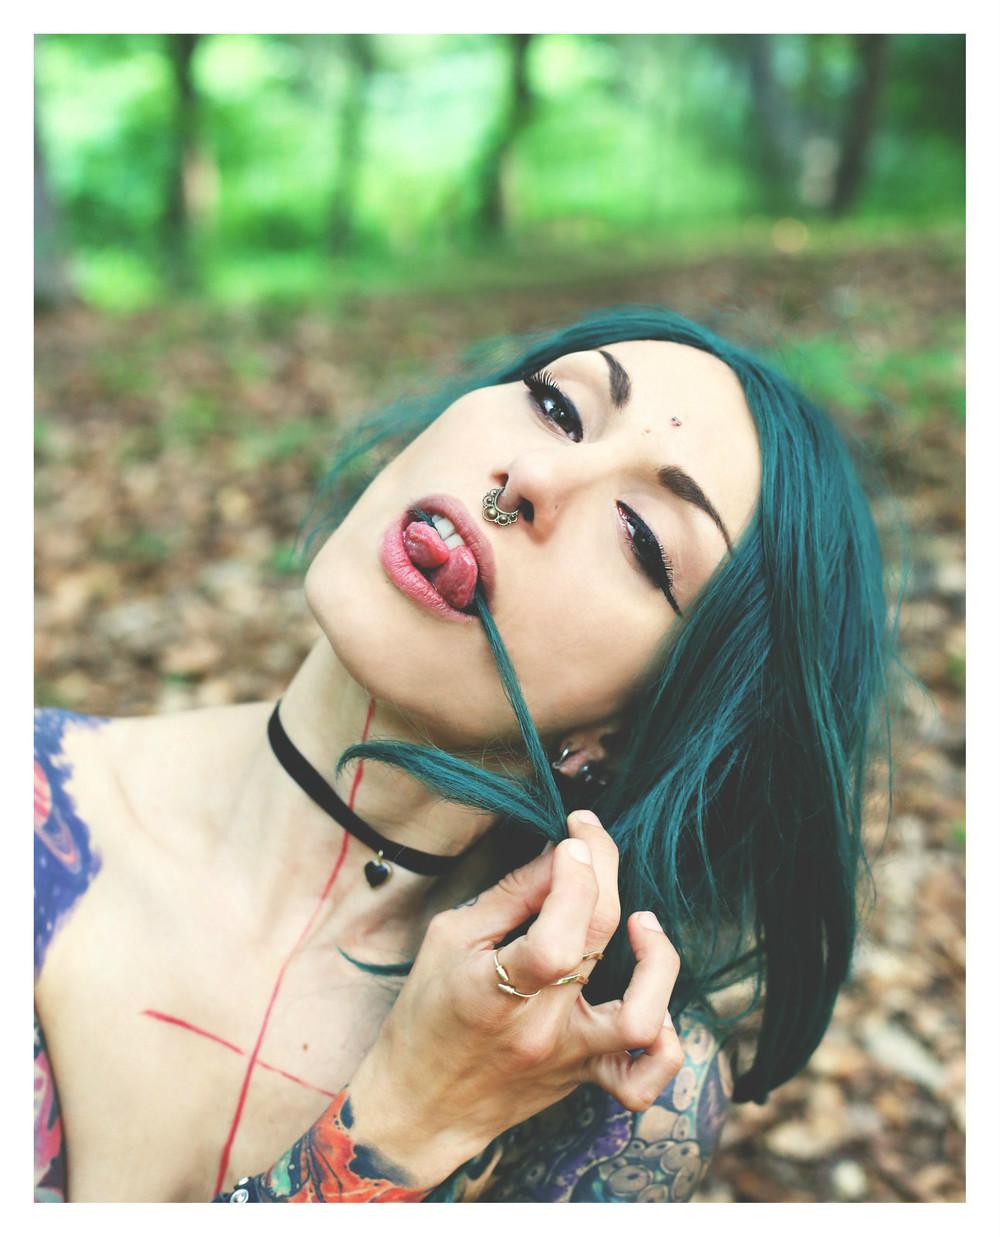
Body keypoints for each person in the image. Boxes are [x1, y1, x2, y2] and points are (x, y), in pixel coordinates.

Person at [34, 306, 892, 1203]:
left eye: (640, 535)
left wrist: (430, 1119)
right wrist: (400, 1130)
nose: (534, 475)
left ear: (638, 727)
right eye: (558, 407)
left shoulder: (606, 1083)